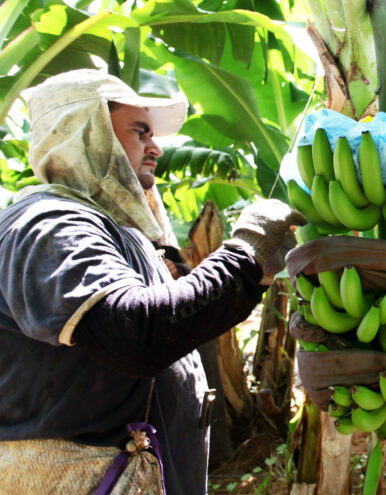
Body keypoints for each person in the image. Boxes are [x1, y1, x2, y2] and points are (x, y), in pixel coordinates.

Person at [0, 69, 305, 494]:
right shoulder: (51, 224)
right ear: (87, 133)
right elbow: (135, 334)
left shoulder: (106, 228)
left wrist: (254, 272)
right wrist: (244, 256)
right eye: (139, 132)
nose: (156, 148)